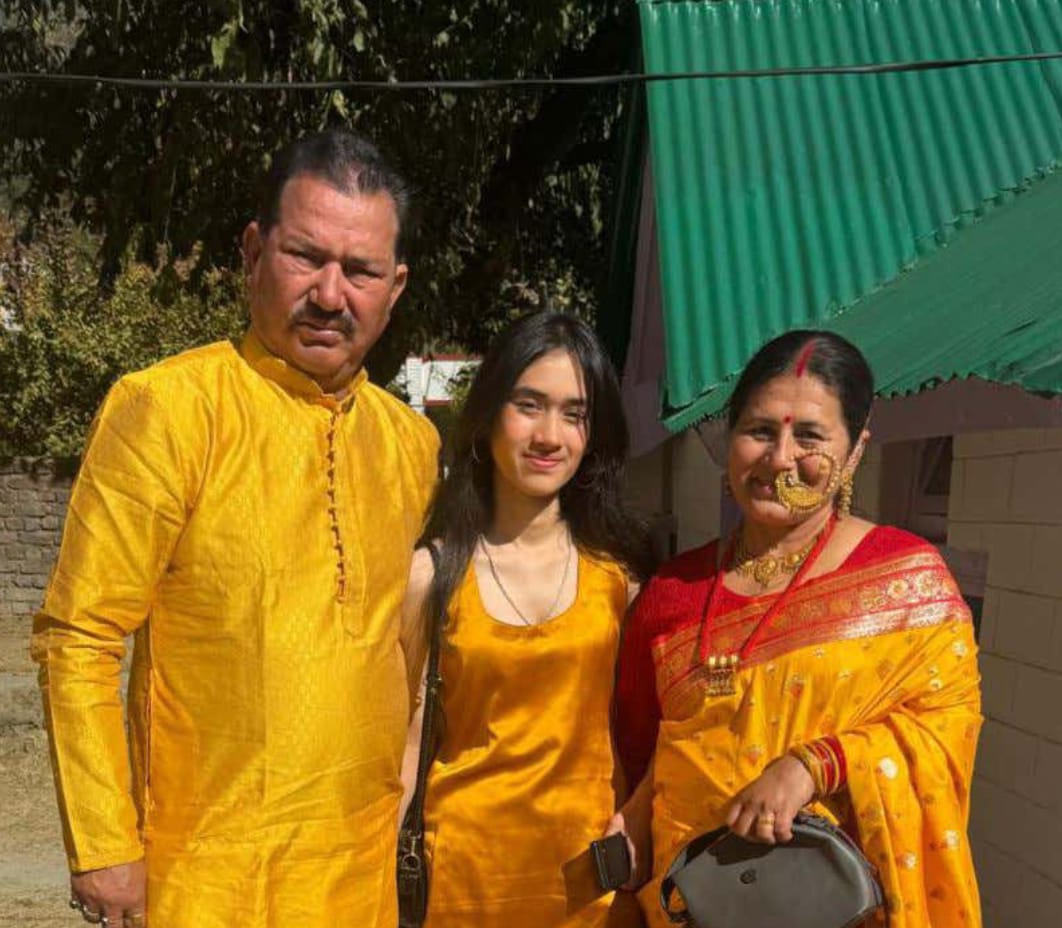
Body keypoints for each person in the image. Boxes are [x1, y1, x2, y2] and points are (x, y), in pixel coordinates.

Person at [31, 129, 440, 928]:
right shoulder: (168, 410)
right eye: (305, 257)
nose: (331, 294)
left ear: (395, 287)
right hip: (206, 879)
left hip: (359, 877)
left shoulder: (411, 445)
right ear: (254, 253)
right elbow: (80, 634)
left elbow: (405, 657)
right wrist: (104, 845)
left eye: (360, 271)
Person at [613, 330, 982, 928]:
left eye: (809, 436)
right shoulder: (672, 593)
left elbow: (944, 731)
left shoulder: (909, 580)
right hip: (686, 905)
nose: (780, 458)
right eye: (760, 431)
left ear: (855, 451)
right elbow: (637, 751)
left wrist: (816, 765)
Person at [398, 312, 656, 927]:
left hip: (591, 891)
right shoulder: (431, 576)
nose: (549, 435)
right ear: (489, 415)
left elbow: (652, 738)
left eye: (574, 413)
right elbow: (404, 745)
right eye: (529, 405)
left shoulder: (622, 581)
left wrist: (637, 823)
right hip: (461, 887)